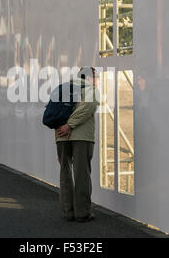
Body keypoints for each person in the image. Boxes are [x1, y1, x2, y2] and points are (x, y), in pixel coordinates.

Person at [55, 67, 100, 223]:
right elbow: (87, 108)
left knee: (65, 173)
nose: (98, 80)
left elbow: (54, 113)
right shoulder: (91, 90)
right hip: (81, 137)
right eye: (97, 76)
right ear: (90, 77)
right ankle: (82, 212)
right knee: (82, 174)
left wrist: (59, 137)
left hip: (61, 137)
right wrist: (70, 125)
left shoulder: (63, 89)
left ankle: (68, 212)